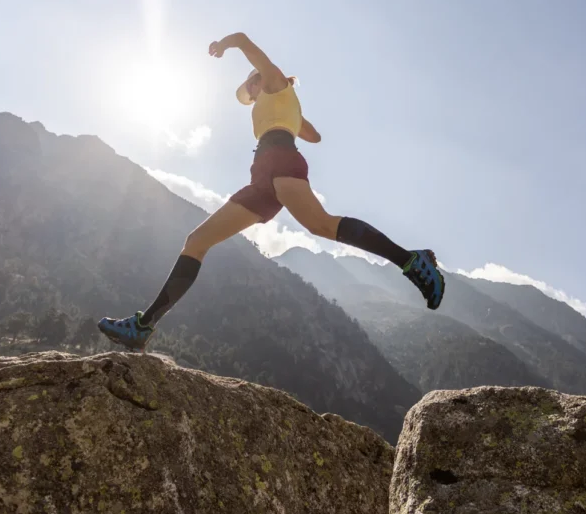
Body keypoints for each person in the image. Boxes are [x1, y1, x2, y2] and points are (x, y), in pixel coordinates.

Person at [97, 32, 445, 352]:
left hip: (280, 157)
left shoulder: (275, 84)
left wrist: (225, 45)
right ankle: (144, 326)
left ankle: (411, 261)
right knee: (196, 241)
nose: (250, 93)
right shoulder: (280, 104)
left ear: (259, 77)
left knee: (321, 225)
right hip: (262, 175)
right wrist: (295, 116)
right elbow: (314, 136)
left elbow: (244, 40)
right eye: (249, 91)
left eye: (251, 85)